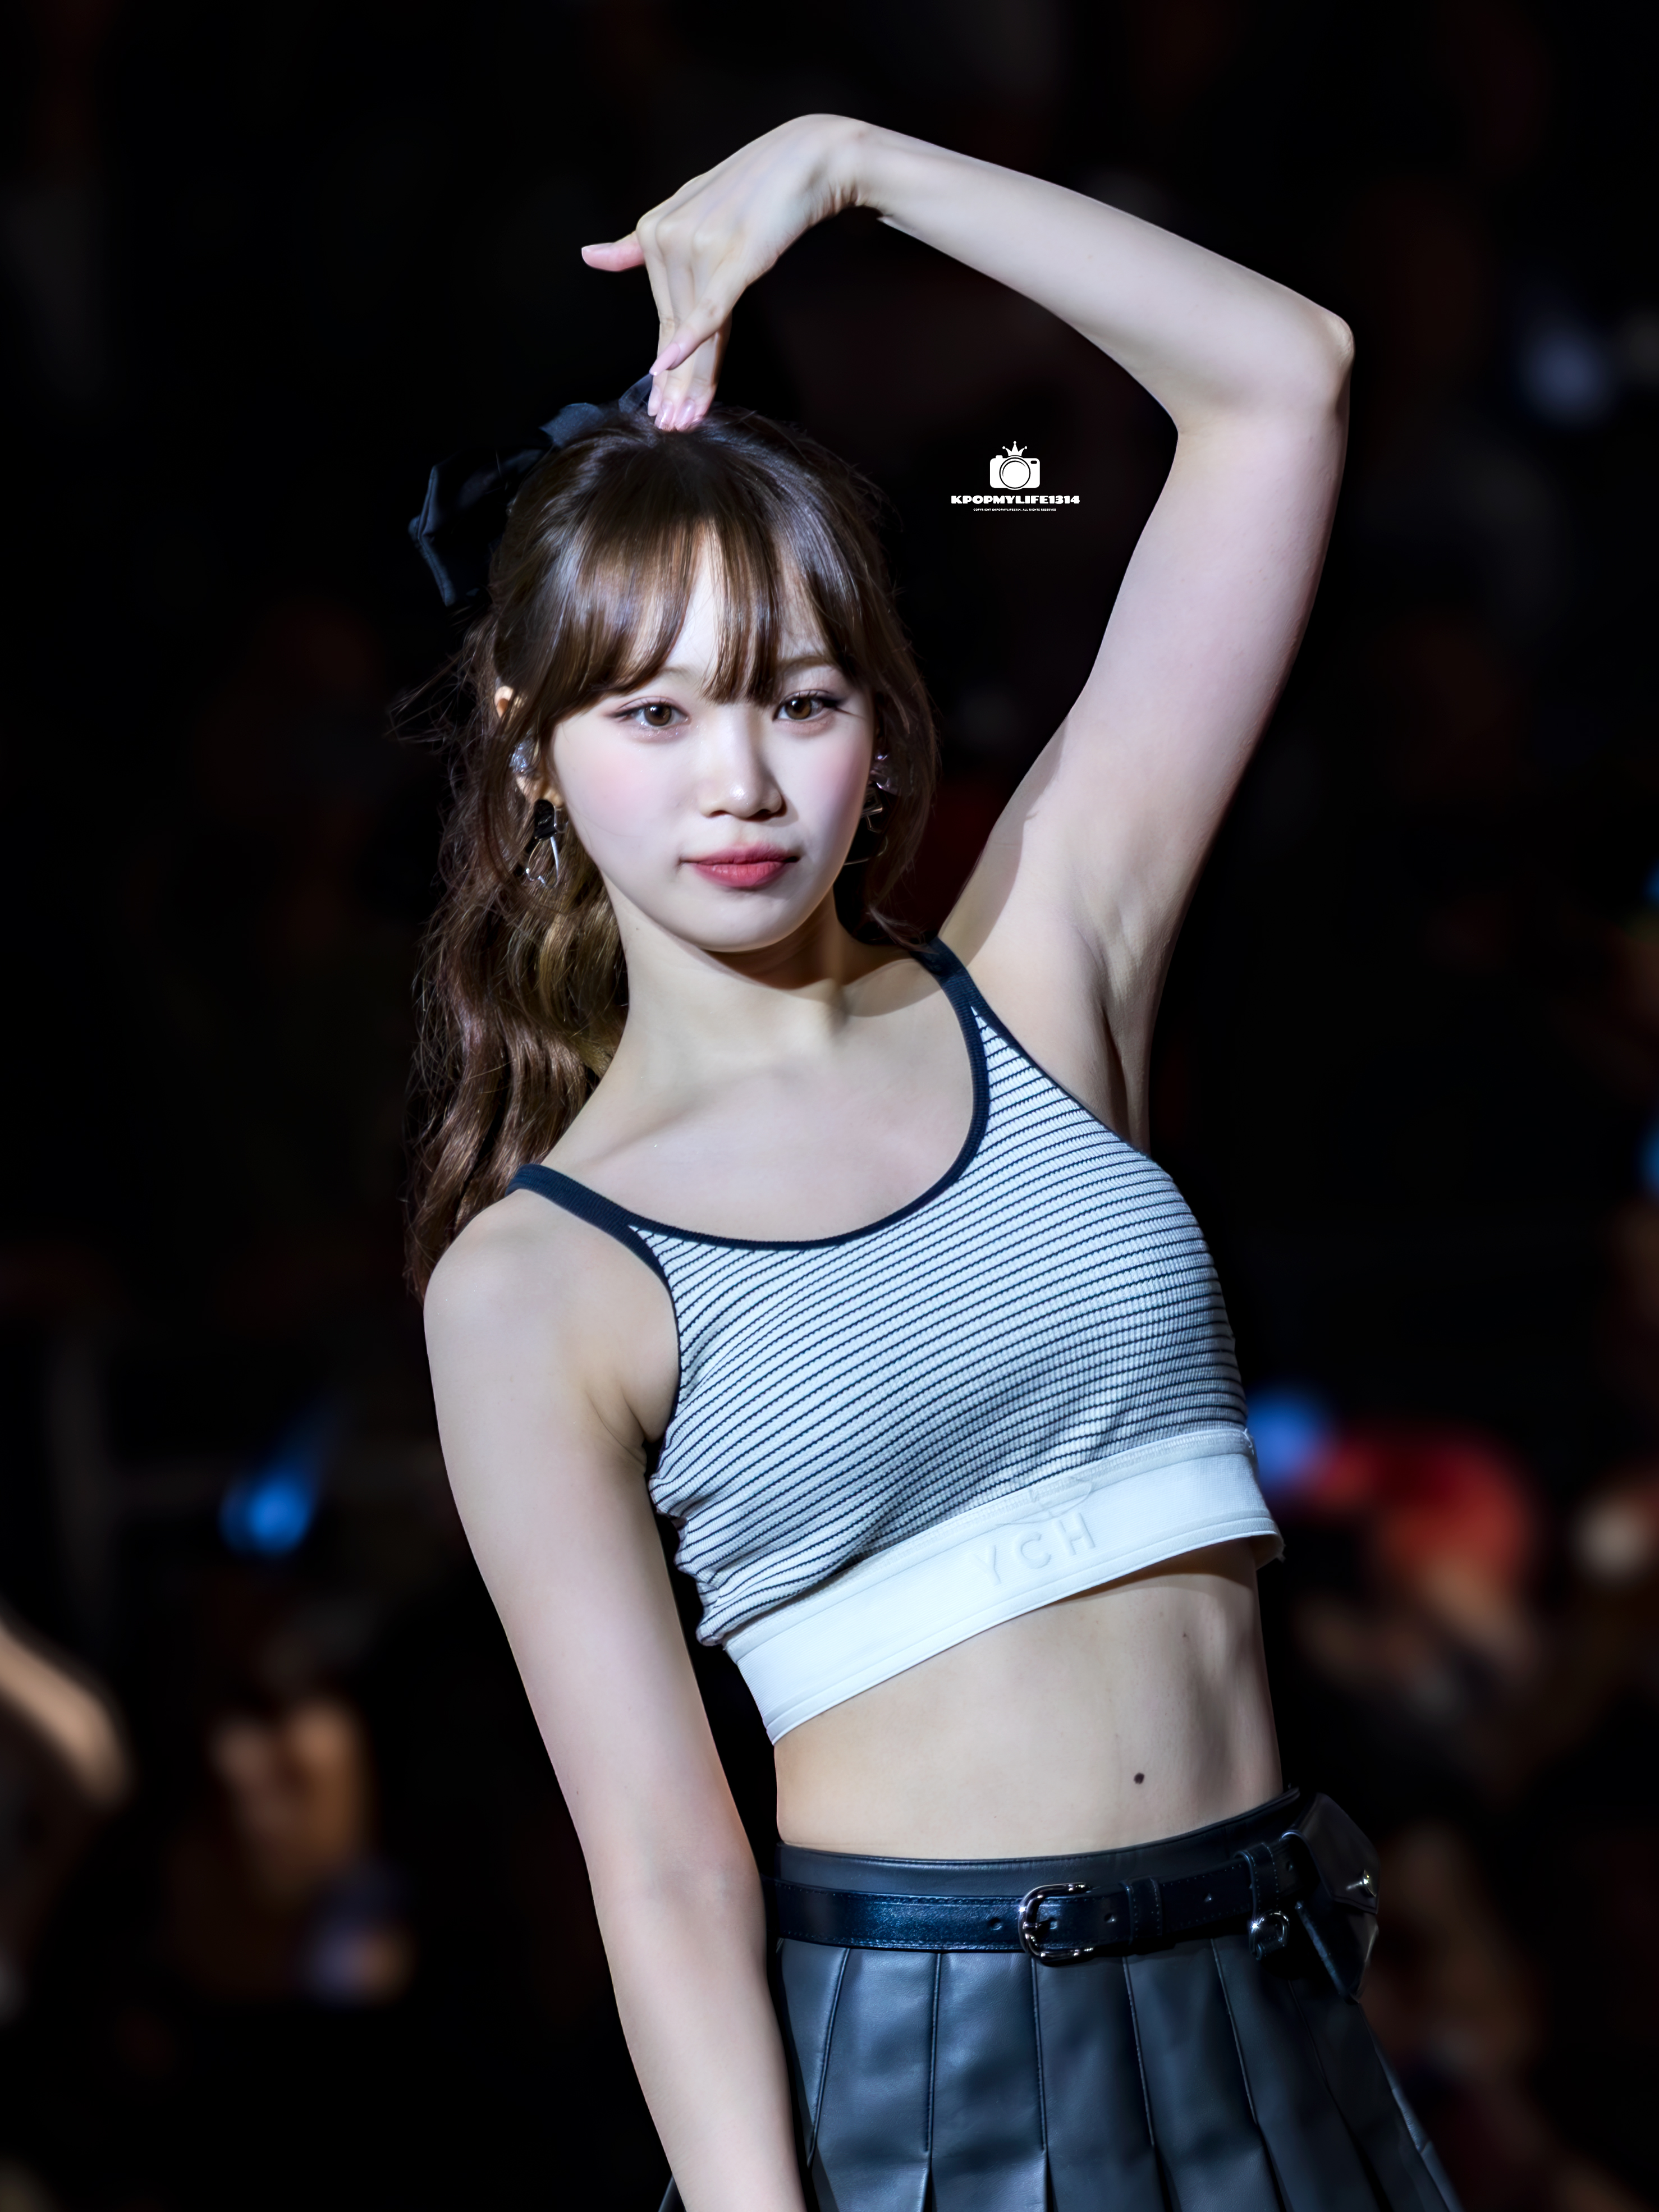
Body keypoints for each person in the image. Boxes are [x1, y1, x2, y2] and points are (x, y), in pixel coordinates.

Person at [415, 116, 1456, 2212]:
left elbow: (1283, 382)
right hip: (935, 2068)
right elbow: (659, 1858)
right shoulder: (538, 1281)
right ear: (532, 746)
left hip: (1278, 2000)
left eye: (797, 701)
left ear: (882, 725)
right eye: (652, 716)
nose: (737, 781)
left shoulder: (1043, 970)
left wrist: (850, 167)